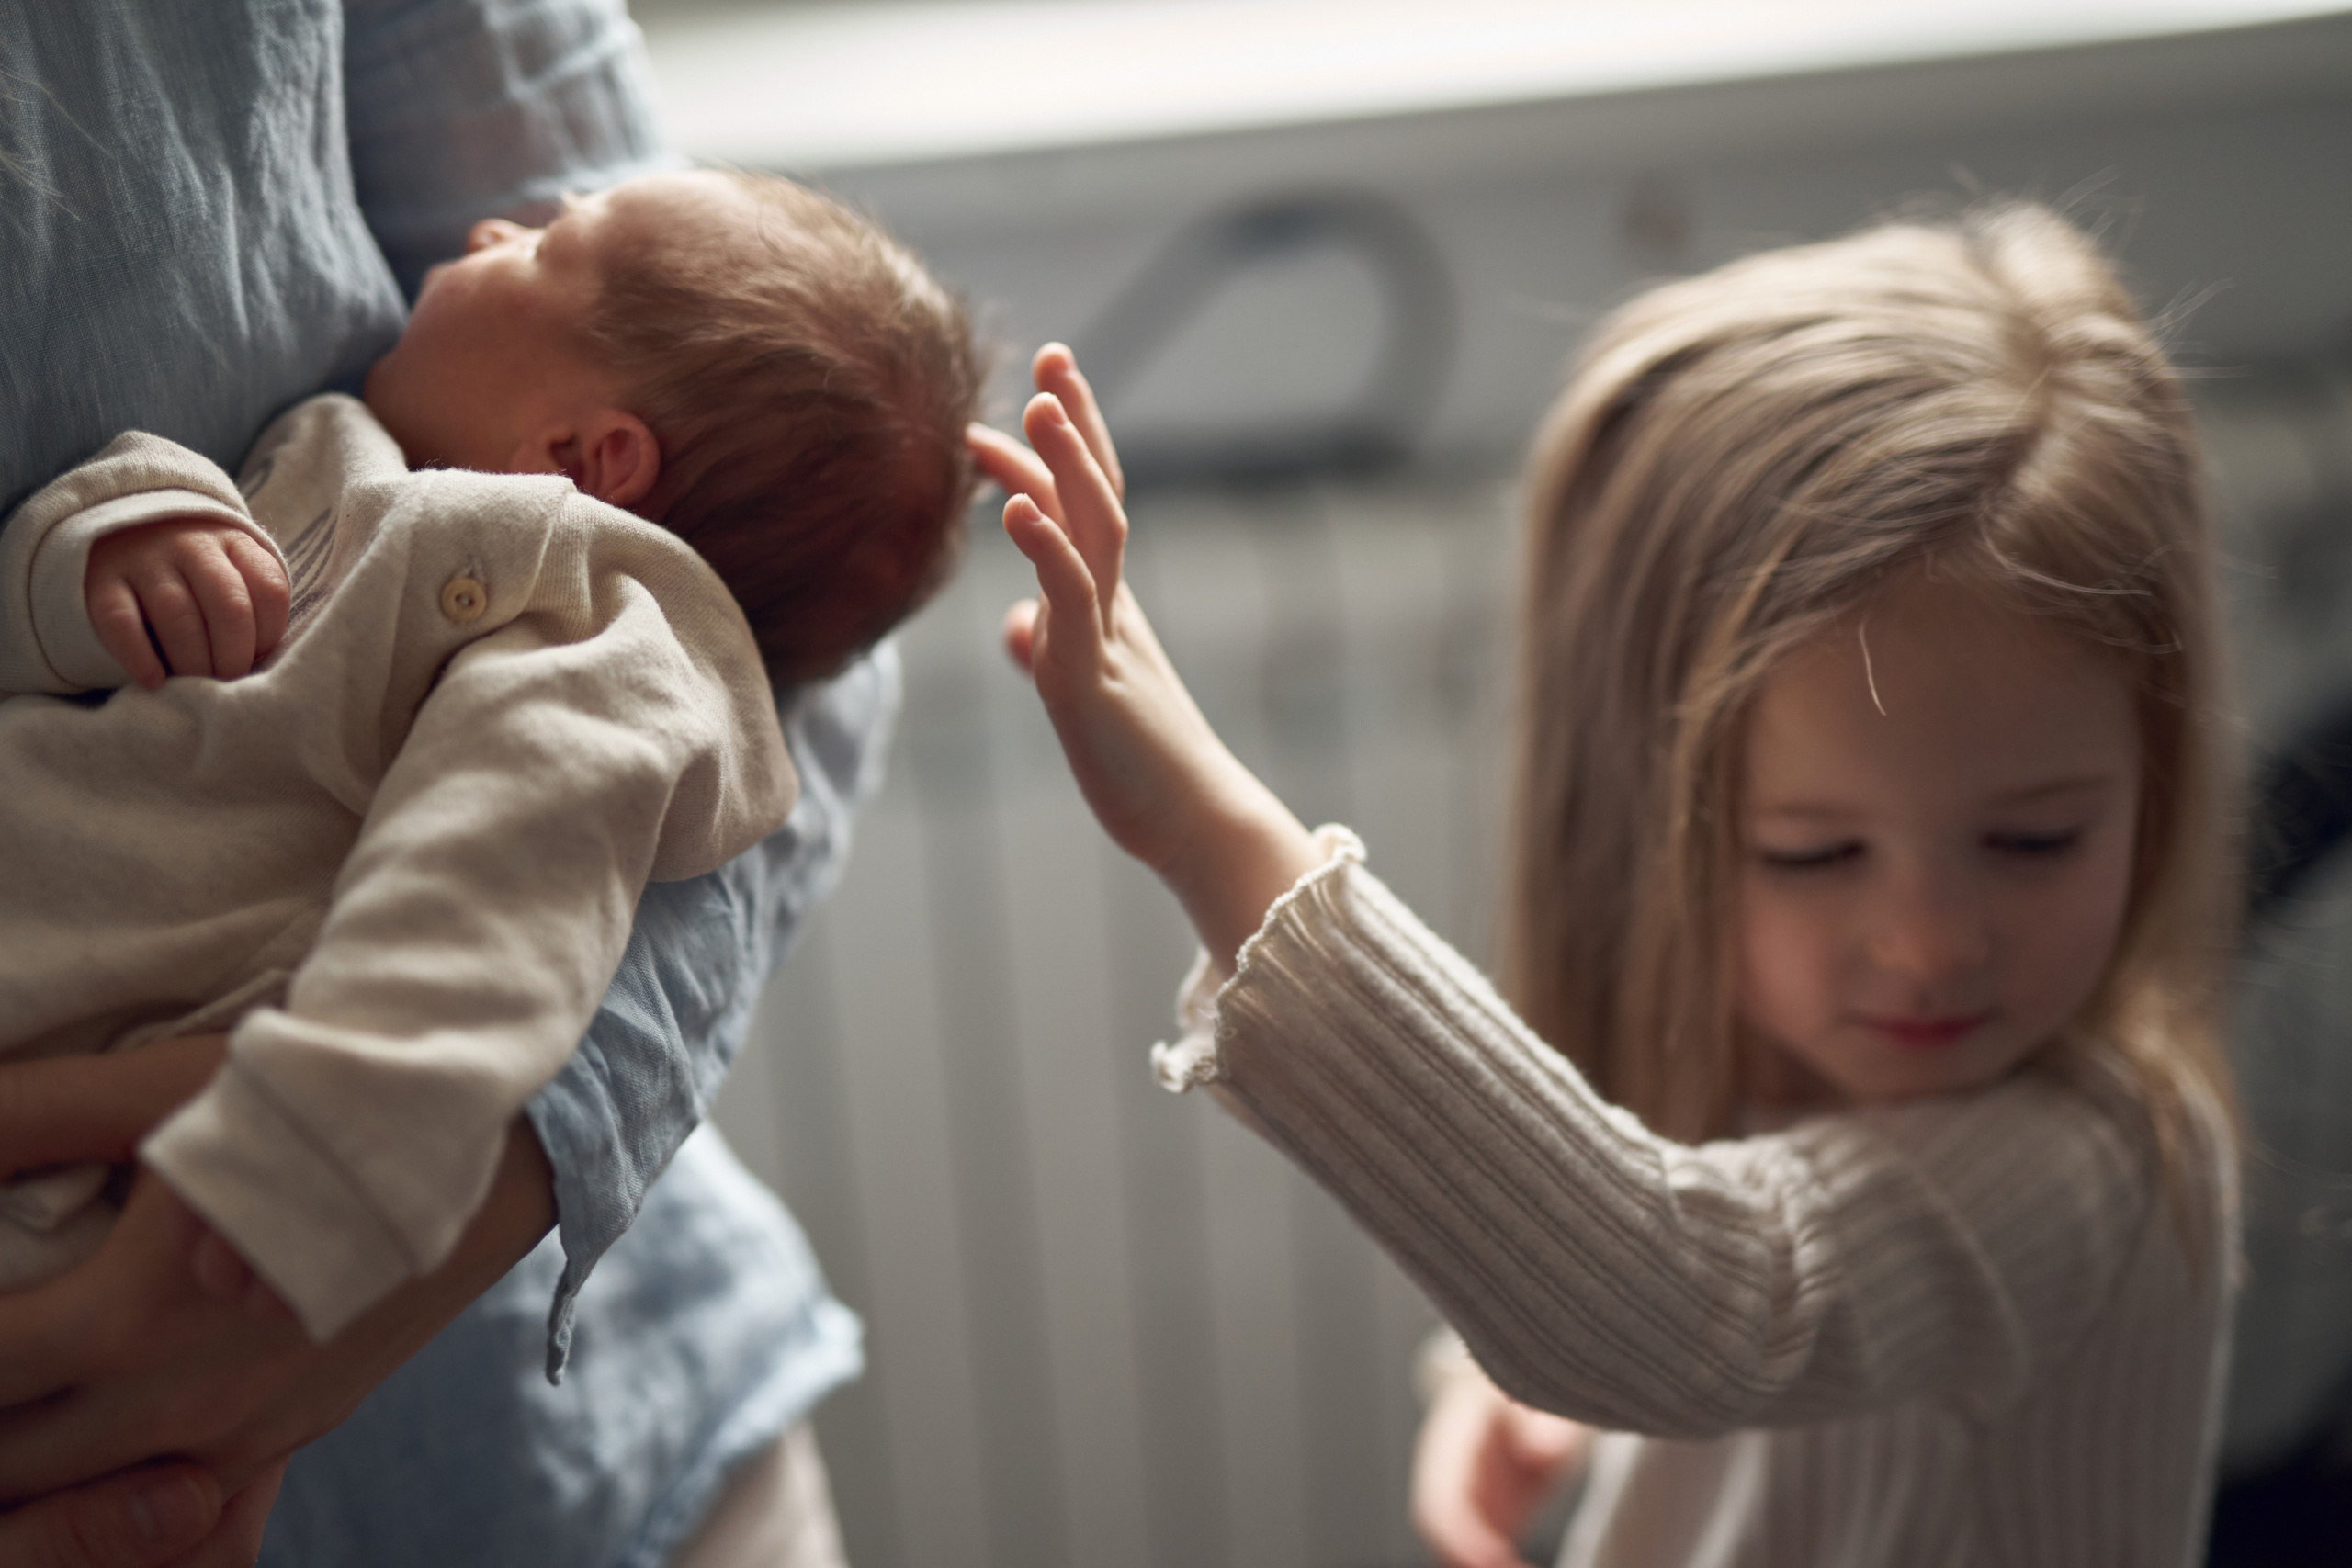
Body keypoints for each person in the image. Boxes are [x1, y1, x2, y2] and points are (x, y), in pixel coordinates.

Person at [971, 201, 2240, 1566]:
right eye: (1813, 854)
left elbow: (1700, 1303)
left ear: (2155, 778)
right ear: (1648, 818)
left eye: (2036, 840)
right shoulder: (1786, 1049)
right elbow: (1650, 1218)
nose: (1930, 943)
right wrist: (1505, 1386)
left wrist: (1210, 835)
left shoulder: (2094, 1166)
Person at [0, 5, 915, 1564]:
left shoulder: (589, 623)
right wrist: (106, 551)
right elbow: (91, 576)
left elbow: (478, 927)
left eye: (542, 247)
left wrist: (318, 1167)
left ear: (593, 461)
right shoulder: (344, 456)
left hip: (282, 1294)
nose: (492, 228)